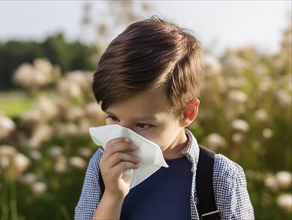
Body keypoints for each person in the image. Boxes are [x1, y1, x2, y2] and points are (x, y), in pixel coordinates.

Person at [75, 16, 254, 220]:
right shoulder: (102, 165)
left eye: (142, 125)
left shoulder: (219, 176)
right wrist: (112, 196)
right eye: (113, 118)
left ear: (187, 113)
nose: (124, 138)